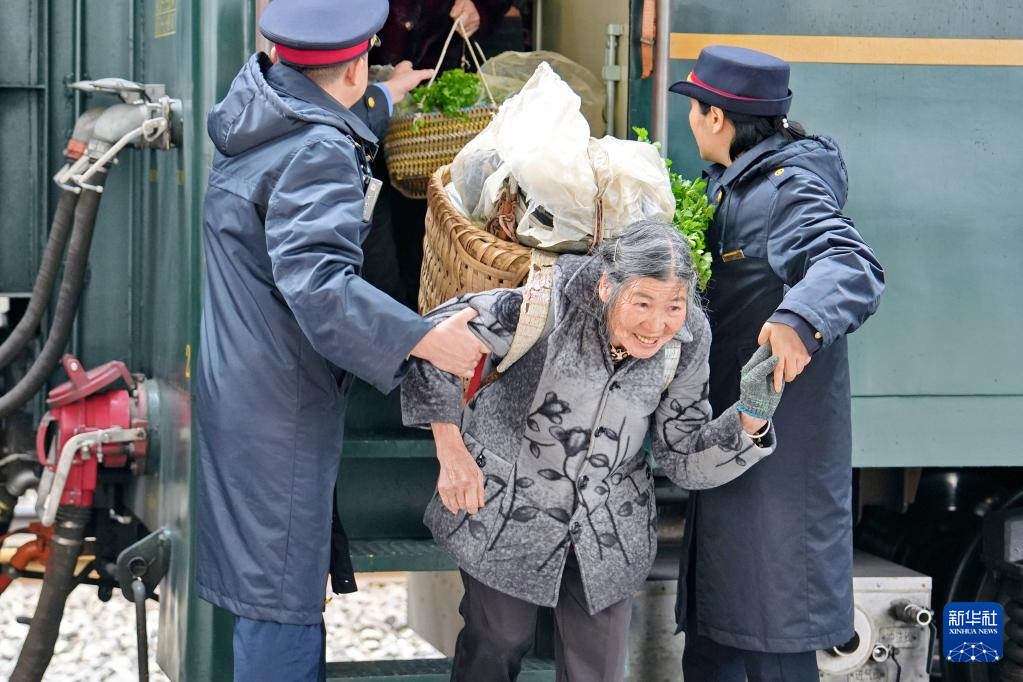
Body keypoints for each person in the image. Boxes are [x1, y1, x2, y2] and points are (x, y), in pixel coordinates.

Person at [194, 1, 489, 680]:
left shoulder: (259, 116)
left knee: (266, 585)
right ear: (355, 68)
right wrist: (423, 339)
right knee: (280, 596)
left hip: (242, 387)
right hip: (282, 404)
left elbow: (317, 122)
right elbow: (319, 286)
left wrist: (387, 95)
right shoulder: (318, 149)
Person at [402, 220, 784, 682]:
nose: (657, 325)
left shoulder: (687, 338)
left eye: (674, 306)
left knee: (597, 671)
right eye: (642, 303)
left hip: (608, 526)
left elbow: (681, 453)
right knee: (498, 643)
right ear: (606, 287)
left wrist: (750, 418)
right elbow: (431, 342)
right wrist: (451, 451)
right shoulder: (543, 303)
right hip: (509, 507)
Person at [668, 45, 886, 681]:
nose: (692, 120)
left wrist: (798, 318)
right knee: (723, 632)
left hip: (774, 462)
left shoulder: (782, 190)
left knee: (771, 638)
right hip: (735, 451)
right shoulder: (735, 185)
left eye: (694, 108)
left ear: (715, 117)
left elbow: (849, 262)